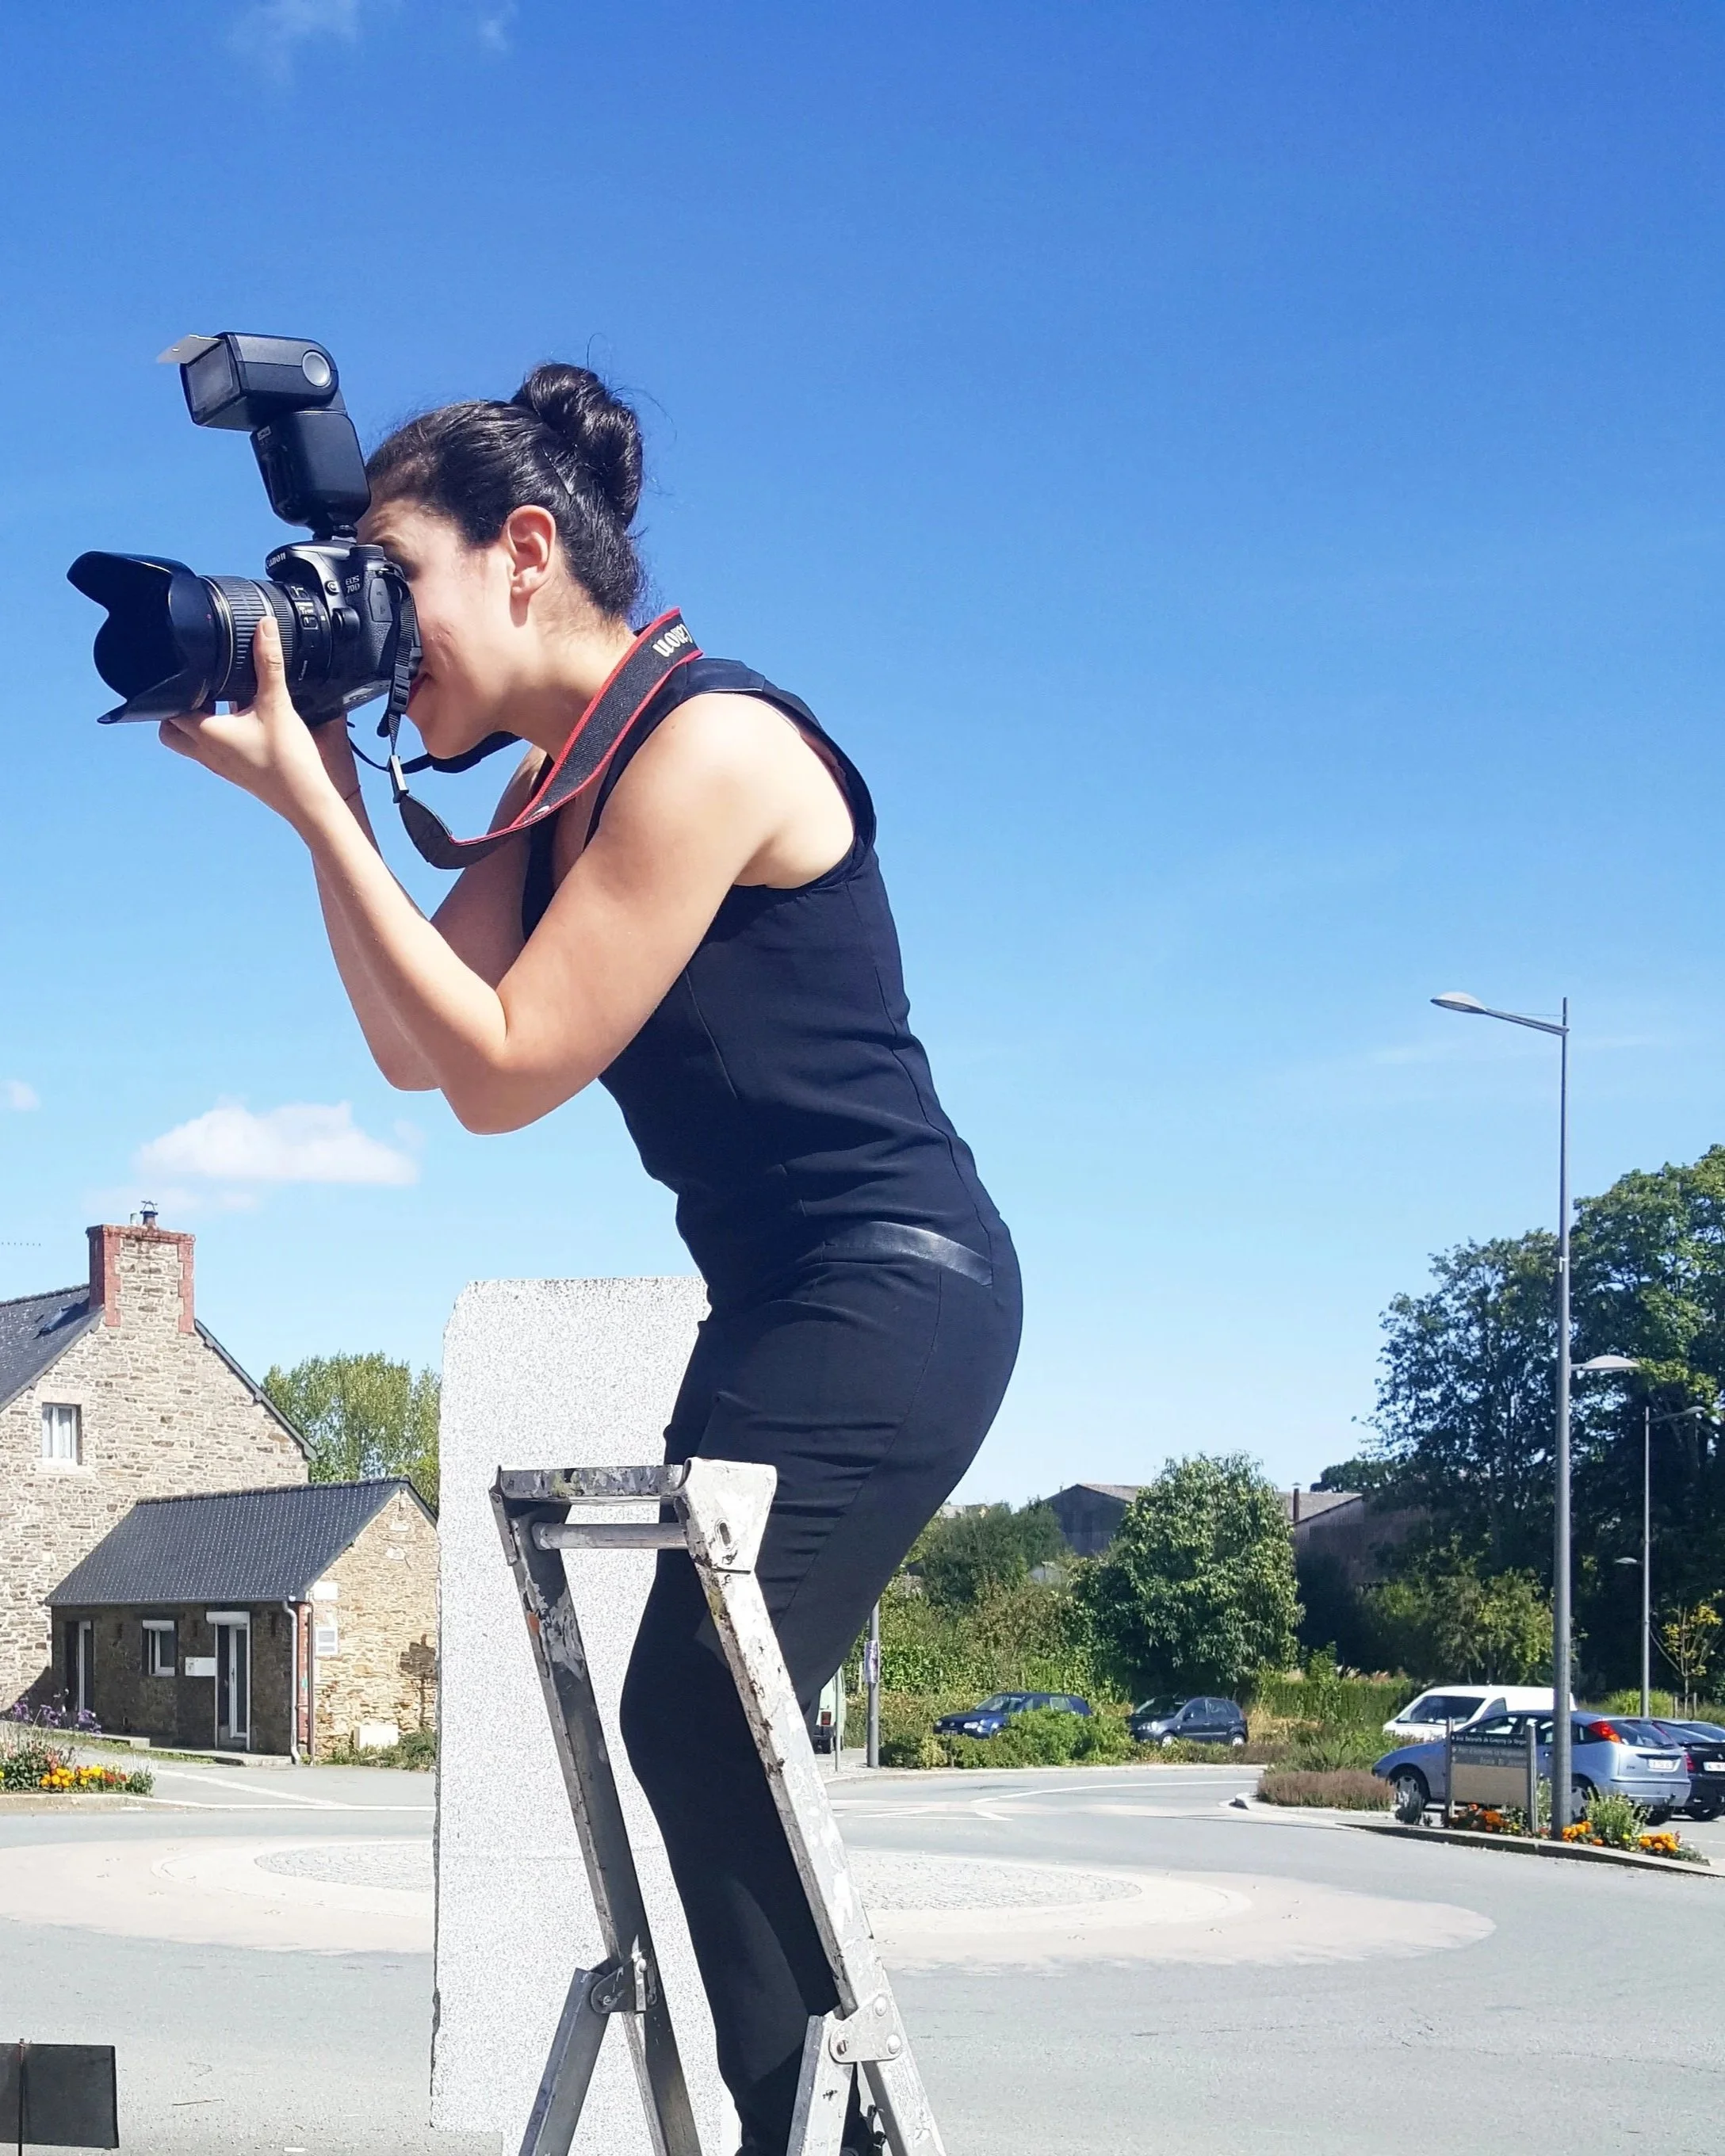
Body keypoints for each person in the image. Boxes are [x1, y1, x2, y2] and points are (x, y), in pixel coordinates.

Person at [156, 361, 1022, 2156]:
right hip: (780, 1296)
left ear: (526, 549)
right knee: (682, 1724)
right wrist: (317, 786)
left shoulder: (705, 744)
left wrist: (322, 809)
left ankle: (825, 2132)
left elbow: (505, 1060)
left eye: (394, 584)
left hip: (890, 1284)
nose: (383, 639)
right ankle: (803, 2122)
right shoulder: (568, 780)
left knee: (701, 1721)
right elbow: (429, 1050)